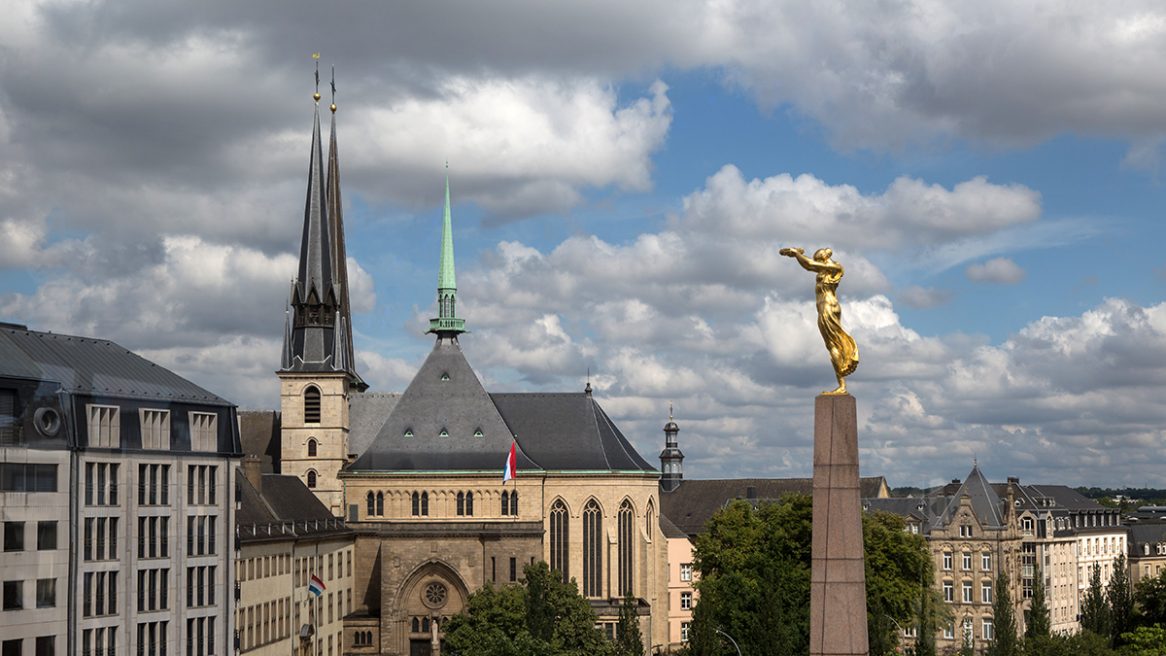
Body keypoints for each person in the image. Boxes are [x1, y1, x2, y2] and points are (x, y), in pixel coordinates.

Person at [779, 246, 859, 395]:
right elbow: (808, 265)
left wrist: (796, 254)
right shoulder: (824, 270)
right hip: (824, 309)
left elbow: (809, 265)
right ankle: (841, 384)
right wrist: (797, 255)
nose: (816, 257)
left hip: (829, 307)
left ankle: (842, 384)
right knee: (831, 345)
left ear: (825, 255)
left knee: (834, 344)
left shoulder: (835, 267)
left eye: (818, 255)